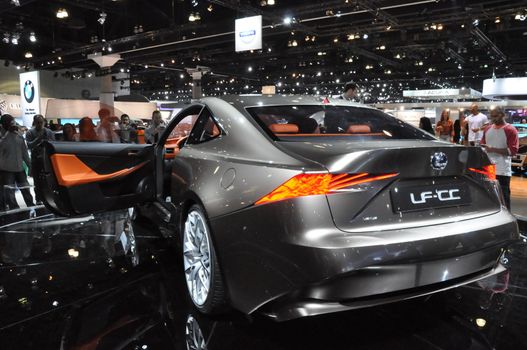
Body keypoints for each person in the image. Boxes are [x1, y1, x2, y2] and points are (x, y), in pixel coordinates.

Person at [480, 107, 519, 210]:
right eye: (491, 116)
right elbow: (482, 144)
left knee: (504, 199)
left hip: (502, 170)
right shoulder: (487, 129)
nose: (493, 118)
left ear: (502, 115)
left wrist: (492, 149)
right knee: (488, 197)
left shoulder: (510, 129)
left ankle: (506, 220)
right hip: (488, 169)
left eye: (495, 116)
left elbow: (513, 151)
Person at [0, 114, 34, 210]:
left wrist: (29, 165)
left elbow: (24, 153)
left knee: (26, 189)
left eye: (12, 122)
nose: (12, 124)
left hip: (20, 169)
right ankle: (15, 210)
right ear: (3, 124)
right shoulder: (2, 136)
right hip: (6, 170)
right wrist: (7, 134)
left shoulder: (18, 135)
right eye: (10, 122)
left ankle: (31, 206)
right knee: (9, 192)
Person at [25, 114, 55, 204]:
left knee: (48, 181)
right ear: (34, 122)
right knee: (37, 182)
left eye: (41, 122)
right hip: (36, 160)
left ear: (44, 122)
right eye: (38, 122)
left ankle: (50, 199)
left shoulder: (49, 132)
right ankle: (38, 199)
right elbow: (29, 145)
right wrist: (38, 139)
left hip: (47, 160)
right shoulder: (30, 132)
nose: (40, 124)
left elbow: (53, 144)